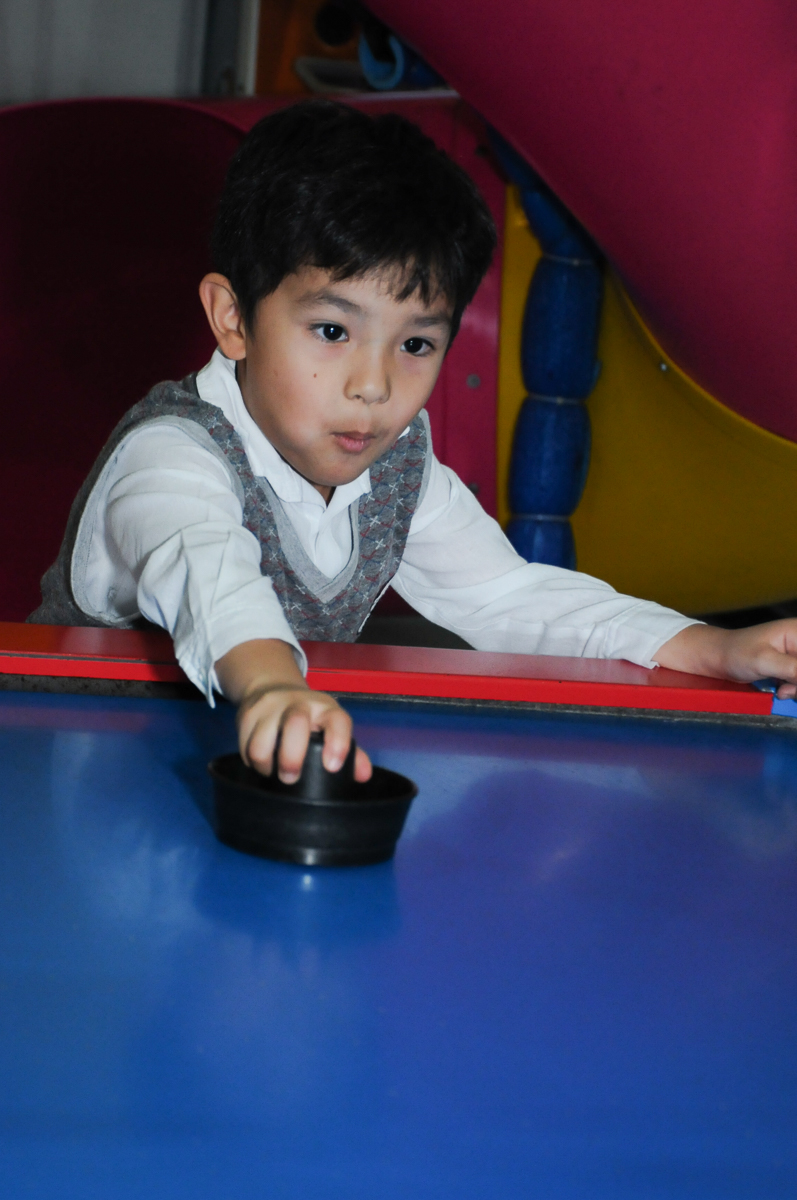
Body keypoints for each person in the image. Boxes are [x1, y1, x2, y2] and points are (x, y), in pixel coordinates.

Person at [30, 99, 797, 785]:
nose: (373, 385)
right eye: (332, 331)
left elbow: (506, 596)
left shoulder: (396, 466)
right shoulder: (172, 453)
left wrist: (712, 648)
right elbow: (209, 574)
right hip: (71, 758)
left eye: (416, 344)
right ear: (233, 318)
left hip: (261, 756)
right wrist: (271, 686)